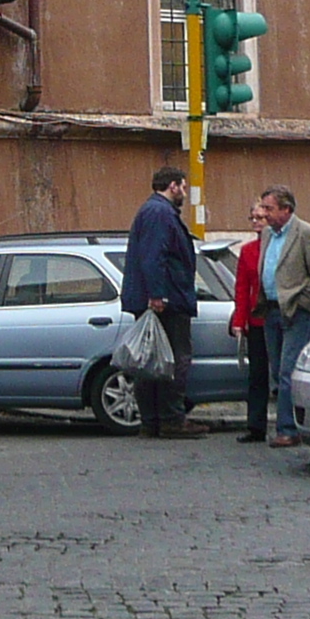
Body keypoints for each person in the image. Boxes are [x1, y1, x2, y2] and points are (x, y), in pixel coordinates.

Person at [120, 167, 199, 438]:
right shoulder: (159, 213)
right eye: (184, 187)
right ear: (174, 186)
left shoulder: (154, 211)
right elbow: (154, 256)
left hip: (162, 297)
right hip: (167, 301)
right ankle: (169, 419)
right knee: (171, 360)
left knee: (153, 360)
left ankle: (154, 421)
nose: (185, 194)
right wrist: (157, 294)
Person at [253, 187, 310, 449]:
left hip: (296, 311)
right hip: (271, 309)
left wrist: (303, 302)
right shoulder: (267, 234)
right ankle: (288, 424)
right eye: (263, 208)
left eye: (269, 208)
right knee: (276, 371)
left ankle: (288, 428)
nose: (264, 213)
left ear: (286, 210)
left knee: (288, 371)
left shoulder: (306, 234)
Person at [231, 227, 270, 440]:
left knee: (284, 373)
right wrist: (239, 321)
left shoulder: (282, 248)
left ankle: (289, 426)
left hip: (282, 319)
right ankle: (256, 426)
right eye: (254, 218)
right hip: (257, 320)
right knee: (257, 374)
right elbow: (242, 289)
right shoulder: (248, 251)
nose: (257, 224)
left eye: (261, 218)